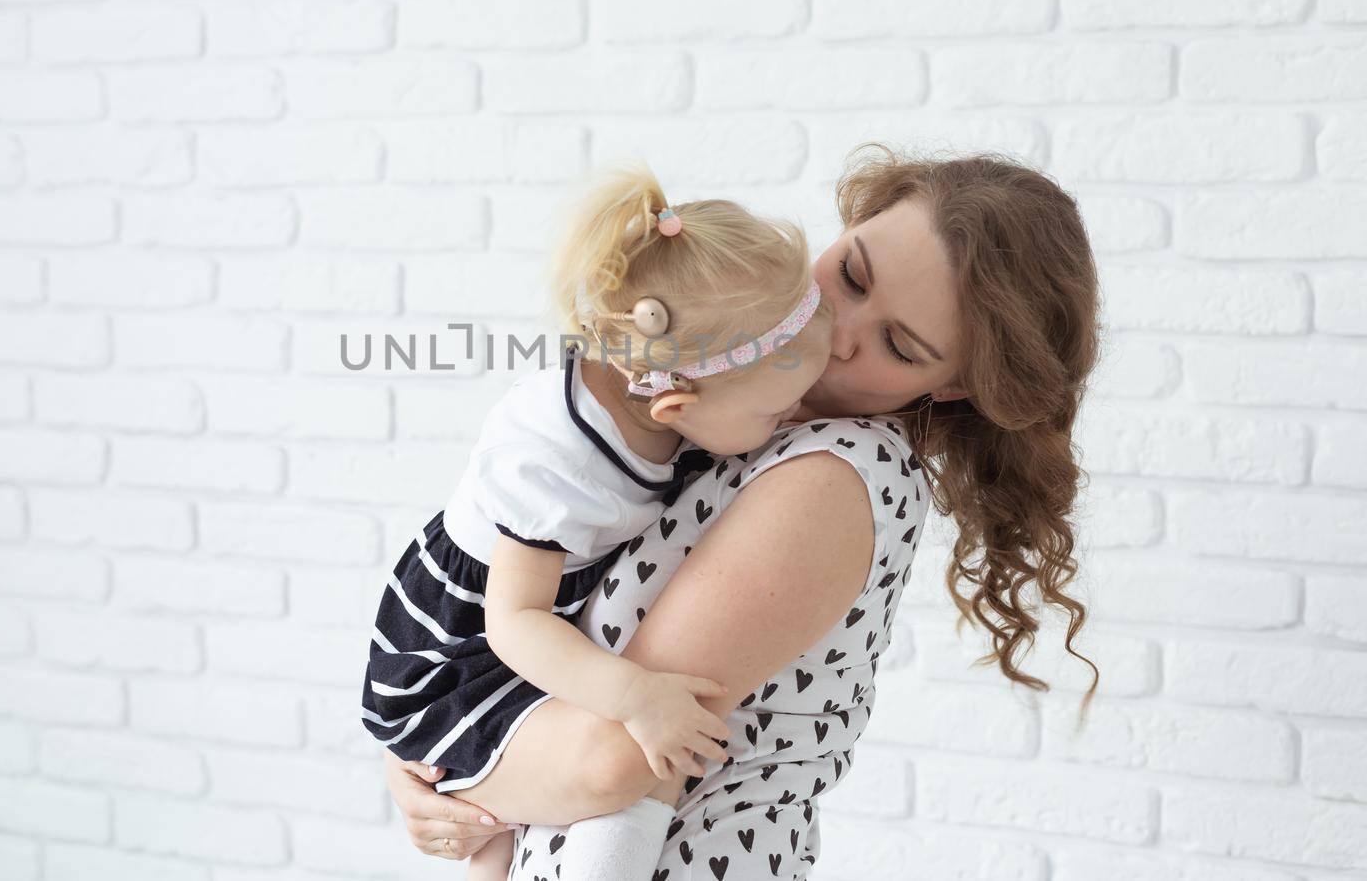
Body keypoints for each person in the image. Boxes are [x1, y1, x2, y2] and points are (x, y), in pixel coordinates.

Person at [381, 146, 1106, 880]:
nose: (841, 332)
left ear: (953, 387)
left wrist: (467, 775)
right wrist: (443, 763)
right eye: (851, 275)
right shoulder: (725, 409)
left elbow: (614, 760)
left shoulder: (839, 468)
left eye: (899, 344)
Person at [361, 160, 839, 880]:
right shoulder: (550, 455)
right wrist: (636, 695)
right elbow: (513, 623)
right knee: (599, 772)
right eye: (777, 413)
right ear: (677, 409)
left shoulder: (672, 390)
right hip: (462, 654)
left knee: (511, 831)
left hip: (540, 629)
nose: (794, 419)